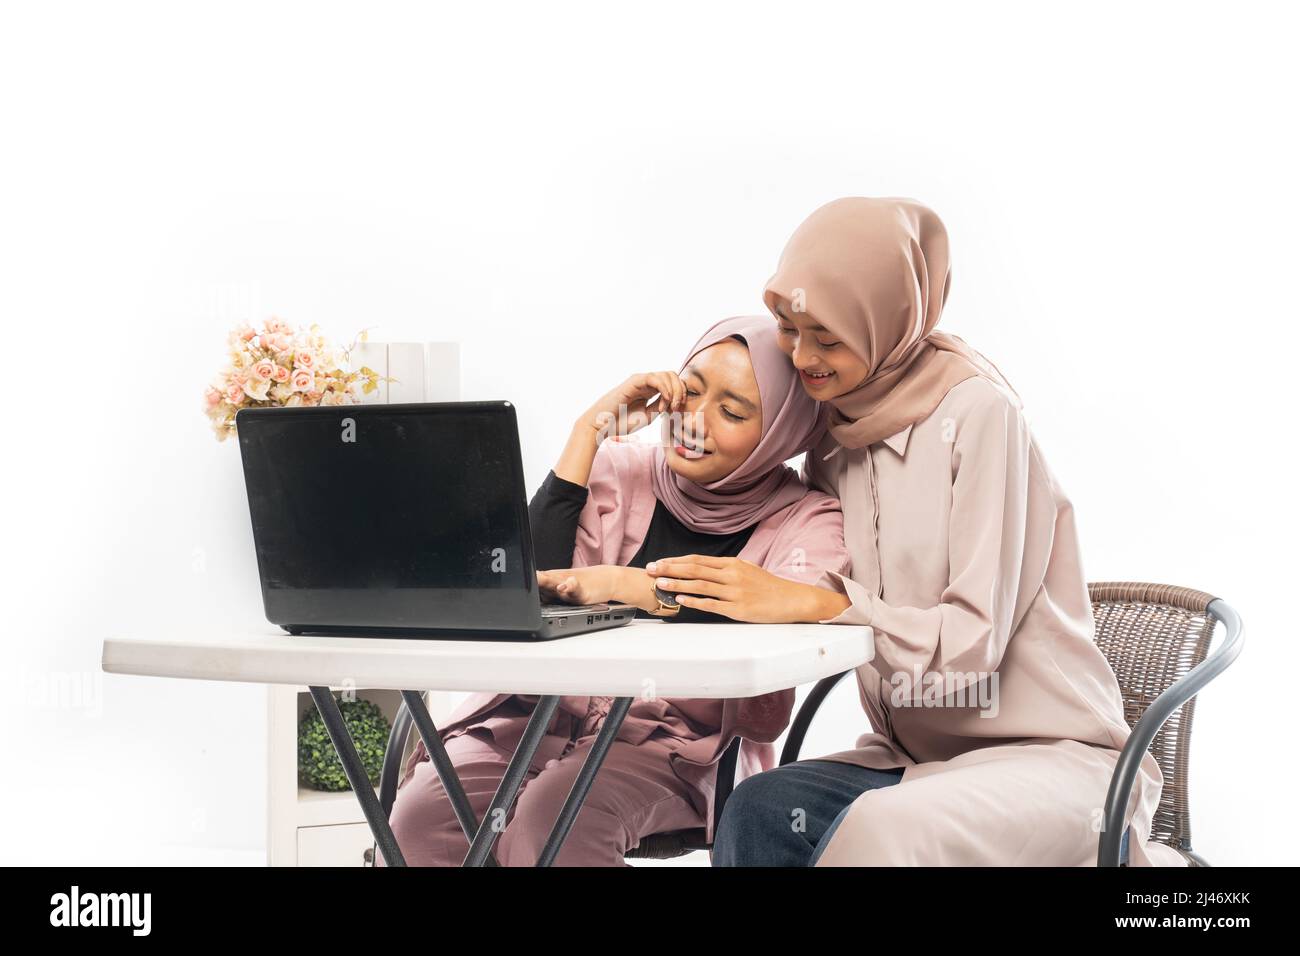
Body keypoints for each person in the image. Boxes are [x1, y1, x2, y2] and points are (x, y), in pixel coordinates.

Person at [651, 196, 1184, 866]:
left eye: (828, 335)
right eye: (789, 327)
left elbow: (972, 646)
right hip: (914, 763)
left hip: (1055, 764)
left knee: (882, 829)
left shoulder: (980, 416)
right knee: (757, 810)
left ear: (886, 319)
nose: (802, 356)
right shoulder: (834, 443)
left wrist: (828, 605)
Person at [379, 315, 851, 866]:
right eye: (690, 391)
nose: (693, 421)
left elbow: (788, 623)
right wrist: (588, 433)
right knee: (420, 818)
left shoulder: (807, 521)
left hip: (674, 748)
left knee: (552, 821)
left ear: (783, 431)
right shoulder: (618, 470)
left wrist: (636, 588)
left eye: (732, 411)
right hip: (533, 719)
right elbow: (527, 593)